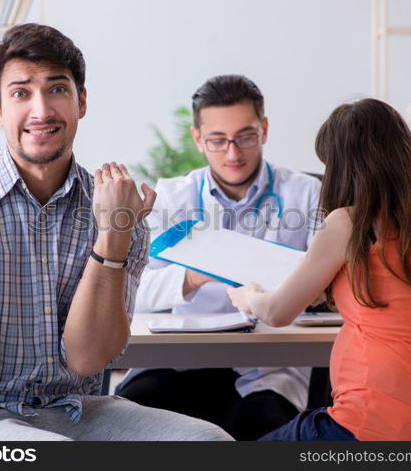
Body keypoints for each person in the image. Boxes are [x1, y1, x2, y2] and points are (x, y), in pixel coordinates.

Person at [0, 24, 232, 442]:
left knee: (209, 443)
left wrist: (114, 236)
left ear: (82, 100)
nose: (41, 111)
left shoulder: (116, 205)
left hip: (80, 410)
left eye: (57, 89)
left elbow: (88, 359)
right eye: (21, 93)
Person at [227, 98, 411, 441]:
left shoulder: (348, 223)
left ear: (344, 167)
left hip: (367, 425)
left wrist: (250, 297)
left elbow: (277, 312)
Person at [115, 75, 322, 440]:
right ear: (198, 139)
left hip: (267, 364)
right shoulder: (171, 197)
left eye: (245, 136)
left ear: (265, 129)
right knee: (131, 413)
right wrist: (194, 275)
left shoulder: (306, 194)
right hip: (181, 359)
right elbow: (134, 292)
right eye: (217, 140)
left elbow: (326, 286)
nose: (233, 153)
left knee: (262, 425)